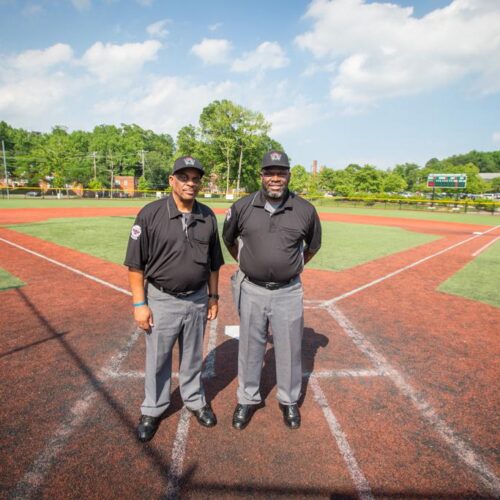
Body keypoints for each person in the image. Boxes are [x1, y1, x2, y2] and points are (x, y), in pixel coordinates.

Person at [124, 156, 224, 442]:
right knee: (158, 358)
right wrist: (140, 304)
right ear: (172, 181)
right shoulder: (150, 214)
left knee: (193, 357)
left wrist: (213, 296)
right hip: (161, 299)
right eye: (184, 177)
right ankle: (153, 408)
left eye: (195, 179)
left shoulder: (207, 216)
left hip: (196, 299)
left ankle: (194, 399)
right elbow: (135, 265)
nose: (190, 183)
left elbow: (214, 263)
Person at [222, 150, 321, 430]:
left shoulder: (305, 210)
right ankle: (247, 399)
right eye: (270, 172)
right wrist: (247, 262)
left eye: (281, 172)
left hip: (288, 292)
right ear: (261, 176)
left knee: (289, 348)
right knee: (251, 347)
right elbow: (228, 240)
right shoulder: (242, 207)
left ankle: (288, 401)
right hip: (251, 288)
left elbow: (312, 246)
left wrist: (292, 266)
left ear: (289, 175)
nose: (275, 178)